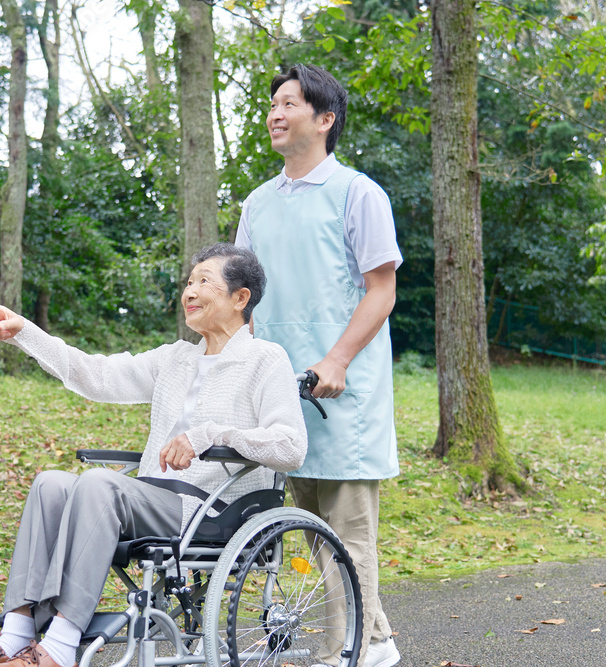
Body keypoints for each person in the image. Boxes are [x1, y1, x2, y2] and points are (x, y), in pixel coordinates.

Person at [0, 243, 307, 667]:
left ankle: (58, 647)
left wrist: (208, 434)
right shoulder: (176, 358)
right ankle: (16, 635)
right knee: (50, 483)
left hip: (213, 507)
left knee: (98, 483)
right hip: (153, 498)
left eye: (205, 281)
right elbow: (96, 375)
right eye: (188, 281)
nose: (190, 290)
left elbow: (290, 446)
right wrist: (26, 334)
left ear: (240, 298)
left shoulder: (265, 360)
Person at [234, 64, 403, 667]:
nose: (276, 113)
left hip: (342, 389)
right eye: (273, 103)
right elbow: (242, 298)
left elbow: (380, 290)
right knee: (300, 528)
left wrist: (337, 359)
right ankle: (374, 641)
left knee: (348, 530)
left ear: (325, 120)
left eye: (290, 103)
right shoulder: (257, 203)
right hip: (282, 390)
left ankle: (350, 650)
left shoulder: (358, 193)